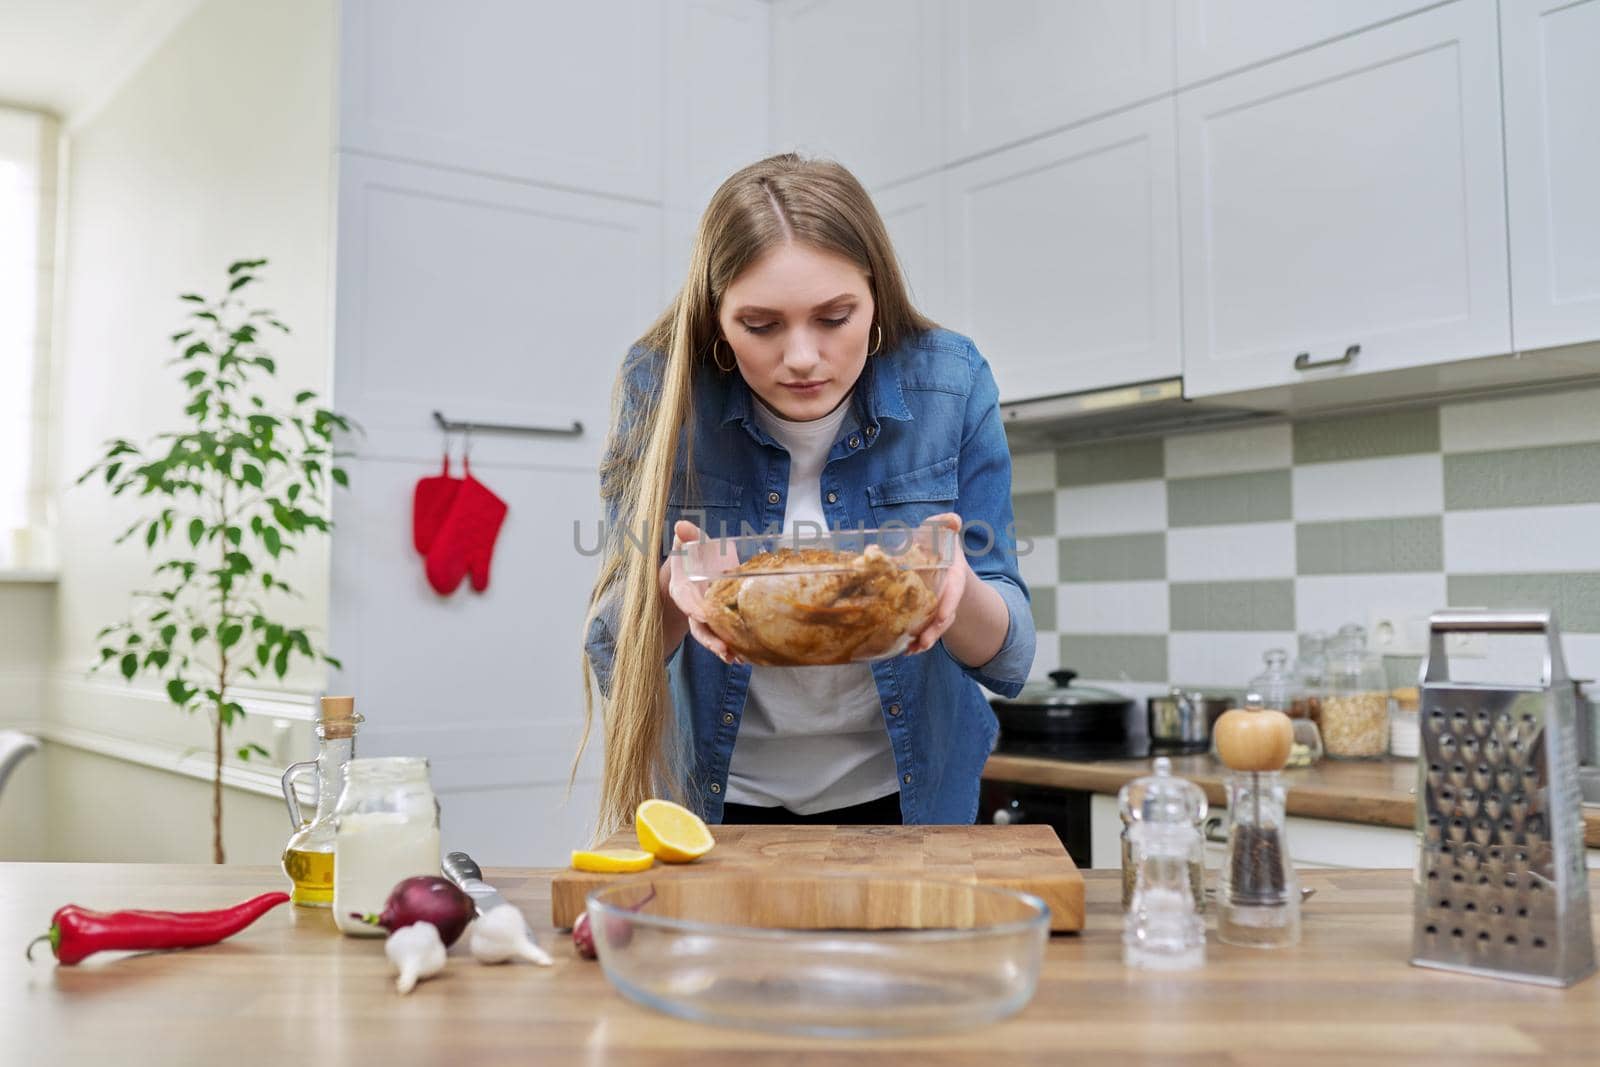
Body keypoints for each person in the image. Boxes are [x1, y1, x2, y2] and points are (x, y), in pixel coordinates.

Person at [579, 153, 1034, 836]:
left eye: (834, 317)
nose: (800, 357)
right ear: (718, 320)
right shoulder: (664, 386)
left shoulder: (952, 382)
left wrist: (955, 588)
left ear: (875, 297)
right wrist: (673, 588)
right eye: (761, 325)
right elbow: (613, 656)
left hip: (913, 802)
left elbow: (1012, 659)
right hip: (715, 805)